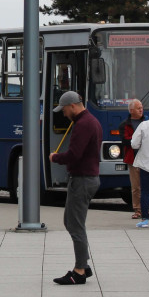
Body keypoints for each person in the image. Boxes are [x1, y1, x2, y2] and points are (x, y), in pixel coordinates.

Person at [49, 91, 102, 285]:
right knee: (72, 222)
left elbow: (74, 154)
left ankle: (79, 271)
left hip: (82, 179)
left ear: (72, 106)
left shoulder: (82, 124)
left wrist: (55, 157)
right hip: (89, 178)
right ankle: (83, 266)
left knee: (74, 224)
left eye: (64, 110)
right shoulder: (92, 121)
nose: (63, 114)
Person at [118, 99, 146, 219]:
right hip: (133, 158)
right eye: (138, 108)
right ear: (131, 110)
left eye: (141, 107)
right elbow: (125, 140)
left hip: (146, 158)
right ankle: (138, 210)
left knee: (148, 185)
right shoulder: (124, 124)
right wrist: (138, 142)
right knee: (136, 186)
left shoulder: (146, 122)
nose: (141, 110)